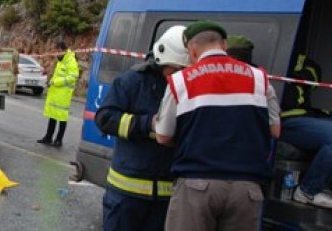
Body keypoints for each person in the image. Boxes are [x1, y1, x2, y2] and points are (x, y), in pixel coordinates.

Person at [155, 21, 280, 231]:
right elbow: (275, 130)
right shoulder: (260, 79)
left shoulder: (180, 81)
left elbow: (163, 136)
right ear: (224, 45)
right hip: (247, 188)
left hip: (197, 185)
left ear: (192, 50)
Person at [96, 25, 189, 231]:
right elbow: (105, 118)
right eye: (176, 69)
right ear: (161, 58)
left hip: (164, 198)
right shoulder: (132, 81)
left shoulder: (184, 87)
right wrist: (148, 124)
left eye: (184, 71)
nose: (179, 75)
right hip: (126, 194)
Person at [280, 54, 332, 208]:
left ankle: (323, 186)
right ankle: (307, 191)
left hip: (305, 117)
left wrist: (299, 75)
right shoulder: (277, 58)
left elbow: (314, 72)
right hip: (285, 119)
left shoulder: (298, 60)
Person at [38, 40, 80, 147]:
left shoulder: (70, 61)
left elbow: (73, 77)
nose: (56, 53)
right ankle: (48, 137)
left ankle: (58, 140)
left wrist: (56, 82)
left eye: (57, 51)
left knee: (62, 118)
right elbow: (58, 75)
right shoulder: (61, 60)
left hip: (63, 95)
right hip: (56, 93)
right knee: (53, 115)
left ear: (62, 50)